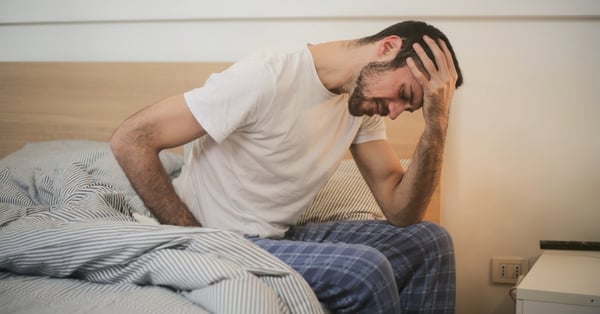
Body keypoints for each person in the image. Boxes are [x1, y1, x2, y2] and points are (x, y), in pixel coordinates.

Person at [111, 20, 463, 313]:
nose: (396, 111)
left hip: (278, 236)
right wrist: (198, 240)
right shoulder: (266, 77)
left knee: (430, 241)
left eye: (410, 108)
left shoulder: (361, 106)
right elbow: (131, 139)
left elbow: (401, 211)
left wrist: (437, 124)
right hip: (226, 238)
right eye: (403, 94)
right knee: (365, 270)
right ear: (387, 48)